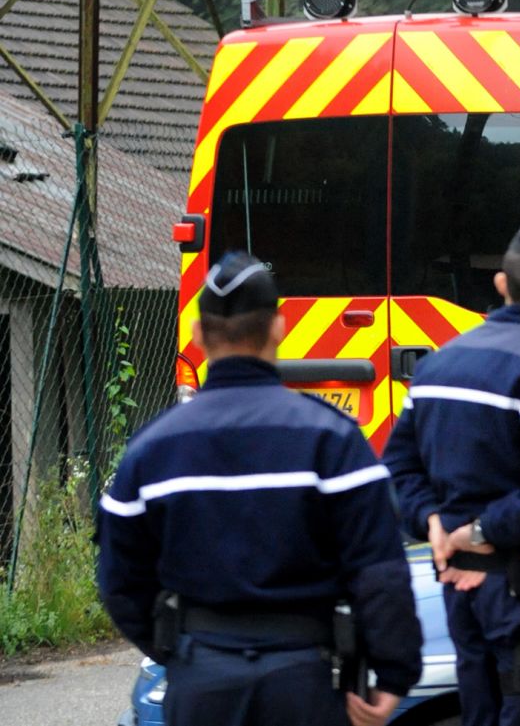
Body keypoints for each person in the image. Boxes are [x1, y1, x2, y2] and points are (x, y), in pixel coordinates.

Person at [96, 252, 422, 726]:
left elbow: (117, 577)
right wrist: (393, 674)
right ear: (279, 328)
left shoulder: (153, 449)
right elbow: (380, 572)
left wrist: (181, 650)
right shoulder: (332, 440)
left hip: (200, 682)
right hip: (302, 681)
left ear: (198, 336)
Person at [383, 215, 520, 726]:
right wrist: (479, 532)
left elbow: (396, 465)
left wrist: (433, 524)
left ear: (501, 282)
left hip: (459, 586)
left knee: (479, 710)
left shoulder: (440, 363)